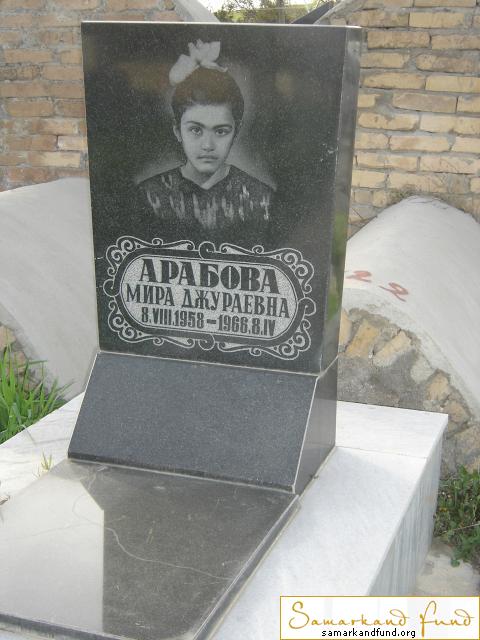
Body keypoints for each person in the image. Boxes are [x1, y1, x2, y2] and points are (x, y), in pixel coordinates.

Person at [135, 40, 274, 244]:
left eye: (221, 131)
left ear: (236, 132)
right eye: (195, 130)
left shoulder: (262, 199)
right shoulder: (148, 196)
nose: (207, 145)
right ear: (177, 130)